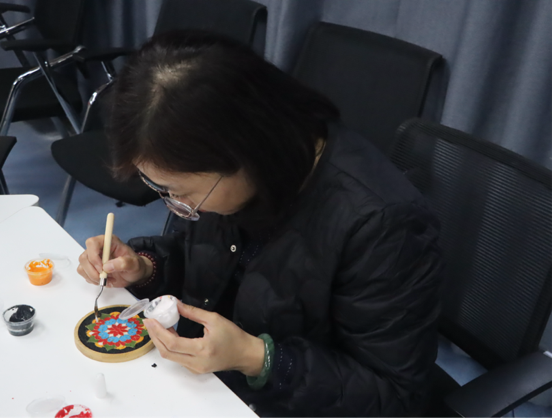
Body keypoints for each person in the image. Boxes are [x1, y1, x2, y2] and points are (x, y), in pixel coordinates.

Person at [77, 30, 443, 418]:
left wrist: (257, 358)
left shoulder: (383, 225)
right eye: (161, 190)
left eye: (180, 193)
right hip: (211, 386)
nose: (178, 207)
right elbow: (204, 260)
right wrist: (145, 267)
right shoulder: (234, 181)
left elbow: (393, 395)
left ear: (247, 154)